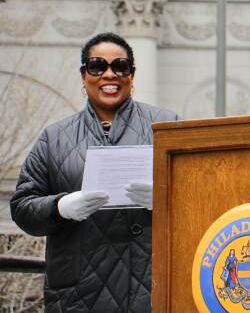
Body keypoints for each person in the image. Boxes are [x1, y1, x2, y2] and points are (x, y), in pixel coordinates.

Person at [10, 32, 179, 312]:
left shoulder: (166, 126)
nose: (109, 75)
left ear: (132, 75)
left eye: (120, 67)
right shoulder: (55, 138)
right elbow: (22, 208)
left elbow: (199, 198)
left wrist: (167, 197)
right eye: (97, 66)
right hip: (78, 296)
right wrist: (60, 207)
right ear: (84, 75)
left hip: (150, 291)